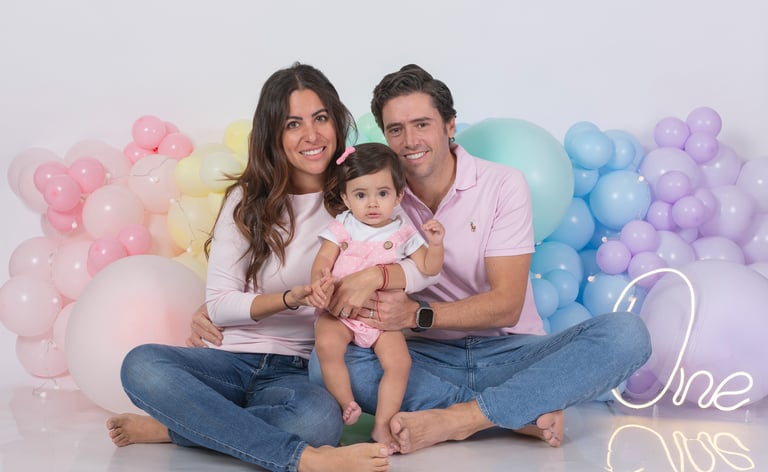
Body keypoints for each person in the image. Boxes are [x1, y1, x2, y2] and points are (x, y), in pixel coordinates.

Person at [189, 64, 652, 455]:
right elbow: (306, 252)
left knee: (626, 334)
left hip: (509, 351)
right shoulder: (374, 195)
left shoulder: (501, 184)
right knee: (331, 362)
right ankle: (516, 410)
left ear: (450, 126)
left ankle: (460, 419)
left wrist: (412, 310)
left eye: (422, 124)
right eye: (396, 130)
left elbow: (507, 305)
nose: (410, 140)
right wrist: (216, 305)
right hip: (424, 357)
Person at [105, 62, 395, 472]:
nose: (311, 135)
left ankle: (179, 428)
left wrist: (379, 277)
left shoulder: (359, 199)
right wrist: (290, 298)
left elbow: (409, 264)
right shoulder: (245, 200)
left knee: (318, 421)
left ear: (336, 121)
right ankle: (304, 459)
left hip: (296, 369)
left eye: (320, 118)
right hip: (230, 359)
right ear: (273, 134)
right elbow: (220, 306)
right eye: (293, 124)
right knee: (141, 366)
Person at [307, 142, 444, 453]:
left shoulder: (403, 231)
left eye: (382, 194)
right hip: (340, 312)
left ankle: (382, 424)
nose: (372, 203)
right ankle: (346, 403)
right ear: (345, 198)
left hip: (381, 317)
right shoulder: (344, 224)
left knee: (400, 362)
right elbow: (324, 258)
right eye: (360, 195)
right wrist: (320, 281)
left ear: (398, 196)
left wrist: (436, 245)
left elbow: (429, 267)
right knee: (327, 344)